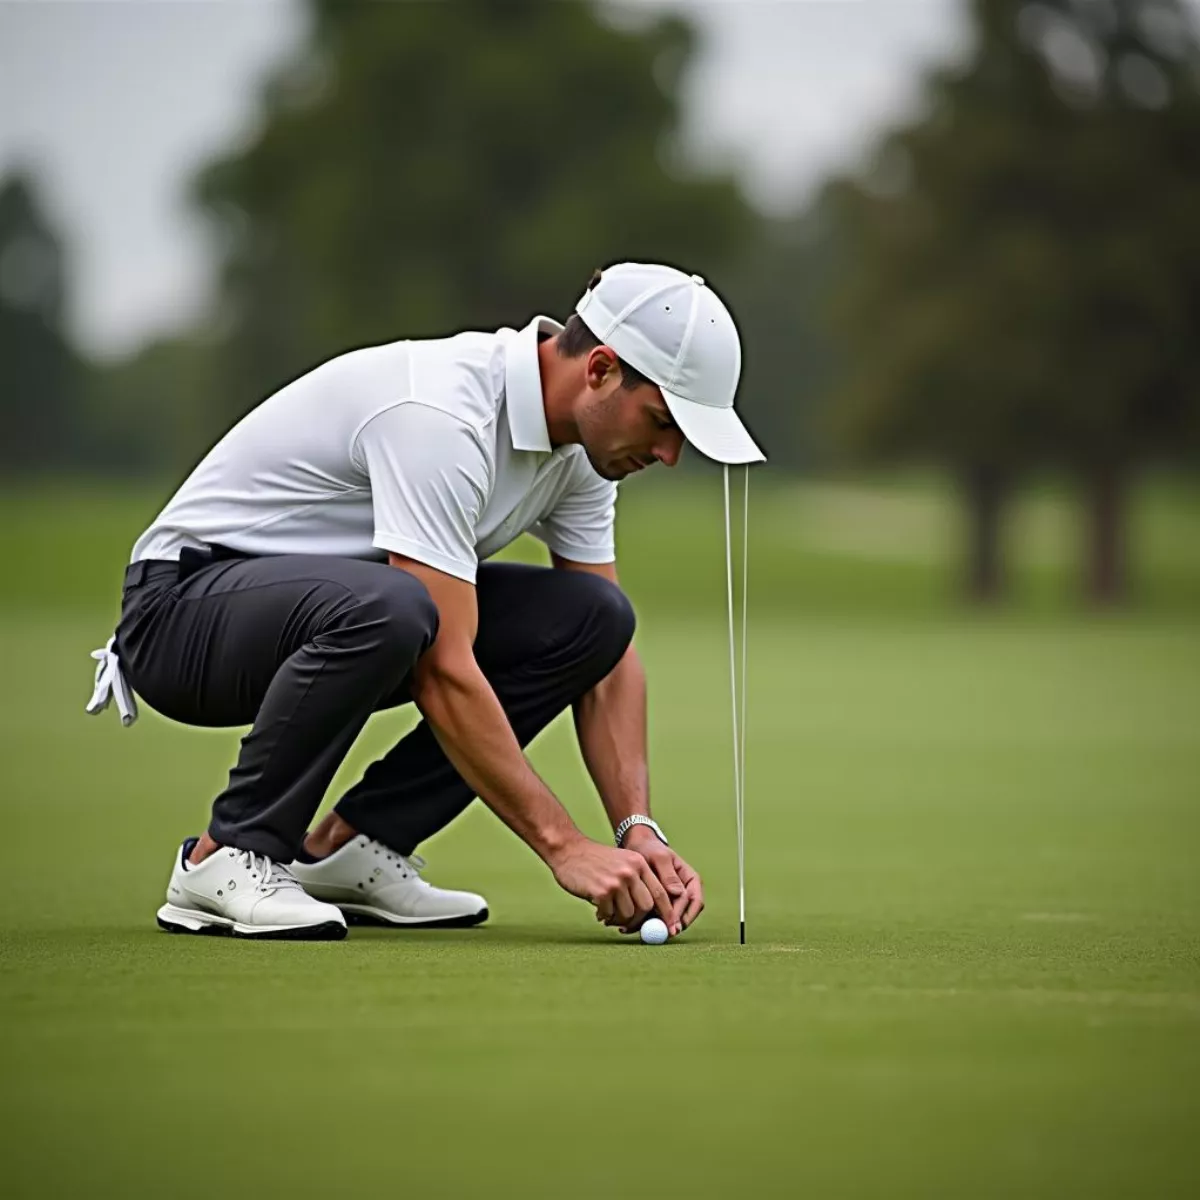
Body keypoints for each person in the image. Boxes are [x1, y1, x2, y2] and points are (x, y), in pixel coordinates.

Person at [85, 261, 765, 941]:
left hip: (324, 611)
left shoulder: (583, 455)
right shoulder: (443, 415)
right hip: (179, 616)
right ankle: (224, 857)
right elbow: (444, 667)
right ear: (599, 370)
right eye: (661, 421)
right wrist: (566, 847)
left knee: (594, 619)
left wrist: (635, 830)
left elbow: (608, 662)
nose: (671, 454)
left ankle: (354, 847)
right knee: (401, 607)